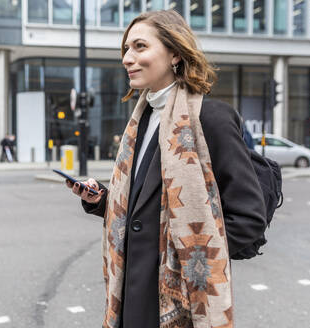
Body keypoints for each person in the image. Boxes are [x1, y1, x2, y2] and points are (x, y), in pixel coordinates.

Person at [66, 10, 266, 328]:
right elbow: (144, 207)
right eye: (126, 50)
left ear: (174, 53)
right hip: (131, 296)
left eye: (140, 47)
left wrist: (188, 259)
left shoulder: (210, 119)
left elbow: (249, 219)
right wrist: (103, 201)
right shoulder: (140, 120)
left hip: (180, 303)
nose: (127, 58)